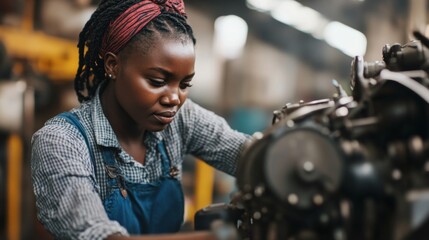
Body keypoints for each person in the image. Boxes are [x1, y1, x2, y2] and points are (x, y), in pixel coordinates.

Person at [30, 0, 251, 239]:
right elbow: (99, 235)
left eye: (185, 84)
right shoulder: (61, 141)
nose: (174, 98)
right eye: (157, 82)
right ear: (113, 65)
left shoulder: (180, 118)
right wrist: (216, 237)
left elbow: (247, 155)